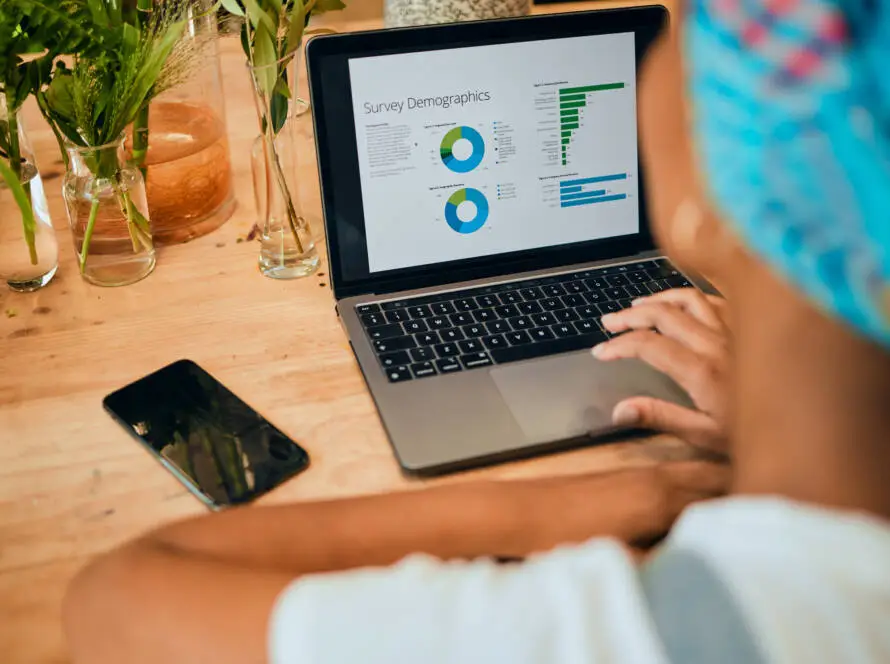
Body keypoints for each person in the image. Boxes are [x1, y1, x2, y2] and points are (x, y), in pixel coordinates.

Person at [63, 0, 890, 660]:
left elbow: (114, 600)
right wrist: (783, 422)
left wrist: (611, 500)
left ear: (713, 190)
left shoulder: (612, 633)